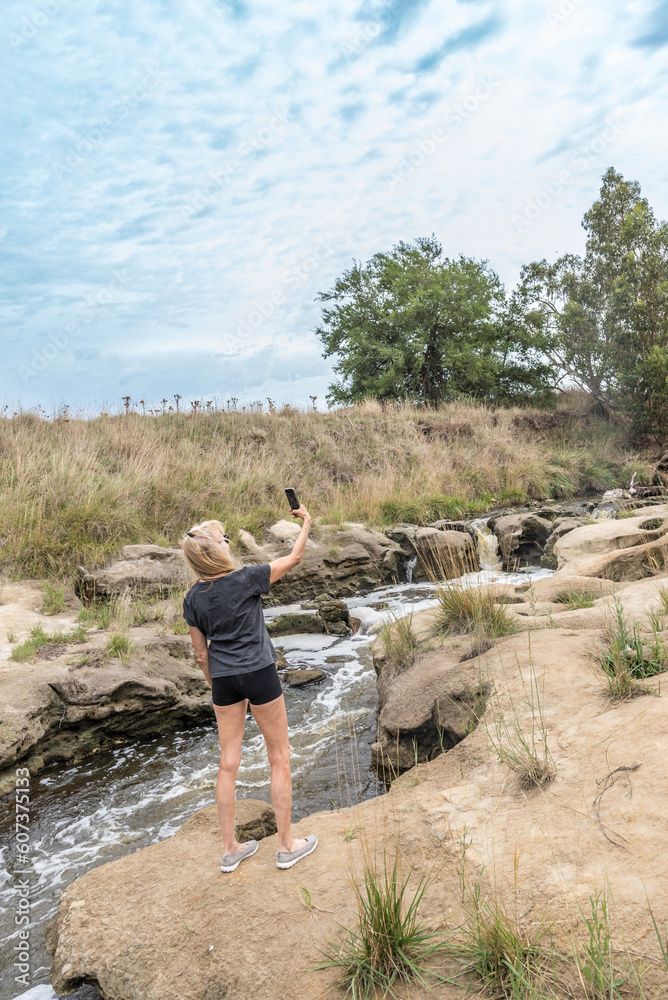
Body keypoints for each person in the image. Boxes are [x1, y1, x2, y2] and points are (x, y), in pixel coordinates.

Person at [181, 503, 318, 873]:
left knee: (228, 764)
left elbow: (200, 655)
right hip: (259, 672)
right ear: (216, 552)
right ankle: (286, 847)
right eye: (223, 539)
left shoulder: (192, 598)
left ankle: (230, 850)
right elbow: (295, 556)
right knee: (279, 756)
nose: (228, 542)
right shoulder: (247, 578)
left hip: (224, 680)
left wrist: (217, 688)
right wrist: (306, 521)